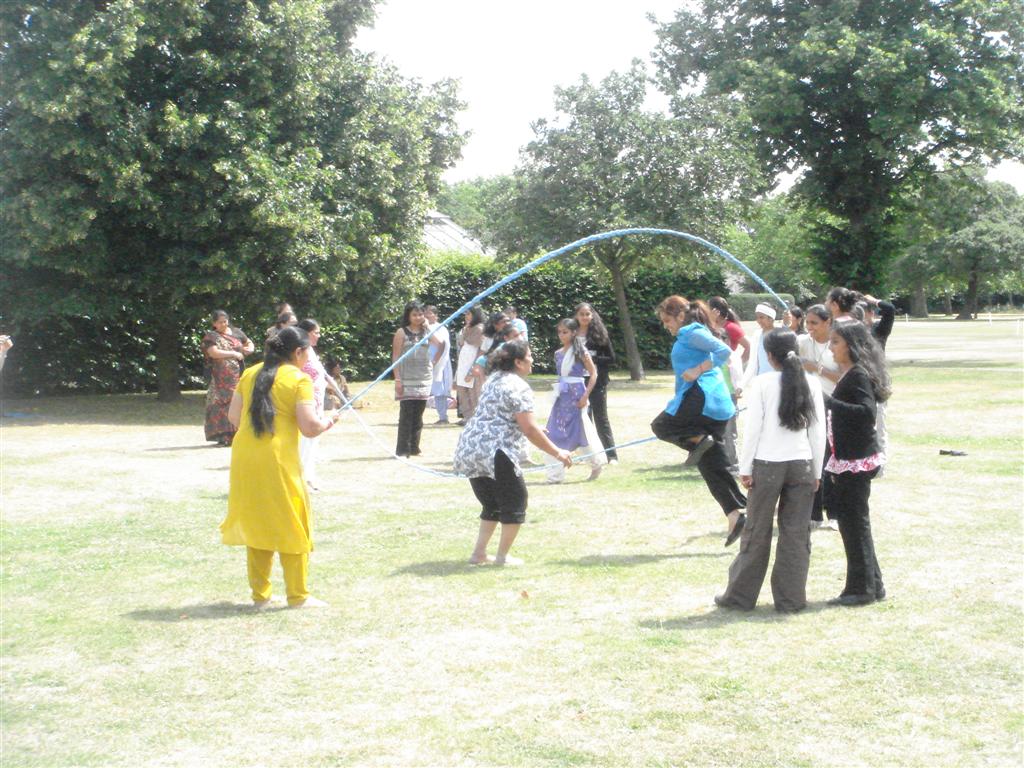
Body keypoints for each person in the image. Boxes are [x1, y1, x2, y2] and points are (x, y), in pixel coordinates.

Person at [220, 326, 339, 609]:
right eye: (307, 352)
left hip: (245, 456)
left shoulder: (250, 373)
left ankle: (260, 596)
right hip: (276, 460)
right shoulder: (299, 380)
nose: (308, 358)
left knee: (258, 522)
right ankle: (298, 596)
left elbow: (233, 416)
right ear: (297, 352)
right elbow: (310, 428)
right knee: (292, 521)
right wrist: (330, 420)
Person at [715, 329, 826, 613]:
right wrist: (816, 471)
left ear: (769, 356)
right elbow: (818, 432)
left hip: (767, 465)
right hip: (802, 465)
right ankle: (790, 600)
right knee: (796, 534)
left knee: (757, 530)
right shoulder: (812, 383)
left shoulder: (763, 384)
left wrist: (745, 467)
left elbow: (753, 431)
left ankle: (739, 597)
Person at [453, 340, 572, 565]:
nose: (532, 361)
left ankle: (479, 554)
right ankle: (502, 557)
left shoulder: (493, 379)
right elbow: (528, 429)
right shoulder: (519, 386)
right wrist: (558, 453)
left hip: (470, 448)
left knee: (492, 504)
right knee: (515, 502)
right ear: (518, 362)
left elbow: (503, 415)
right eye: (529, 357)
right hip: (495, 452)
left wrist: (530, 427)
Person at [650, 296, 747, 545]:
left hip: (705, 398)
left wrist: (698, 369)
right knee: (709, 463)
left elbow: (724, 350)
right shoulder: (689, 334)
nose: (666, 325)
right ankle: (736, 514)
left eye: (667, 320)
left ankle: (699, 438)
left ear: (681, 316)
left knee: (661, 425)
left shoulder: (691, 331)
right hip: (711, 402)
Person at [825, 321, 890, 606]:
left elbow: (866, 412)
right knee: (853, 524)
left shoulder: (858, 375)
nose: (831, 346)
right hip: (848, 460)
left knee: (854, 525)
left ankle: (860, 589)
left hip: (856, 462)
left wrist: (829, 402)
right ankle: (872, 584)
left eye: (836, 341)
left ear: (852, 346)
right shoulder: (850, 374)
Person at [544, 318, 605, 483]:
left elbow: (593, 374)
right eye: (560, 332)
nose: (562, 335)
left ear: (573, 333)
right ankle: (555, 474)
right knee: (553, 431)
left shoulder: (580, 352)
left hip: (577, 394)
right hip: (562, 395)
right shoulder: (557, 353)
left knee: (580, 430)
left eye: (565, 332)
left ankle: (595, 463)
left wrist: (585, 396)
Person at [799, 304, 841, 529]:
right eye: (807, 322)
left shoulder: (837, 343)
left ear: (827, 322)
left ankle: (834, 512)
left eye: (814, 323)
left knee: (831, 458)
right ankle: (813, 513)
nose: (810, 327)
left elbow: (843, 376)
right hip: (809, 406)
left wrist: (817, 368)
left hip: (833, 405)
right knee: (811, 457)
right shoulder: (802, 343)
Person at [296, 319, 345, 491]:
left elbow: (320, 376)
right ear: (307, 333)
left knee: (312, 443)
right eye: (316, 332)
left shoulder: (311, 351)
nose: (318, 335)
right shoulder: (299, 351)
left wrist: (333, 387)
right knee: (303, 443)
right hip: (303, 403)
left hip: (316, 402)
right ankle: (300, 481)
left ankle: (309, 478)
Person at [201, 310, 255, 446]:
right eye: (220, 322)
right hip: (220, 376)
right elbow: (213, 353)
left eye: (225, 321)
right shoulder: (211, 337)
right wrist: (233, 353)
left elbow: (249, 343)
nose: (223, 324)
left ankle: (239, 433)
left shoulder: (236, 332)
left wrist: (249, 349)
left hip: (238, 373)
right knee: (221, 403)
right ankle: (224, 435)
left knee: (238, 400)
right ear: (214, 323)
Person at [574, 302, 619, 463]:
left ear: (592, 315)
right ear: (576, 316)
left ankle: (611, 455)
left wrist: (592, 359)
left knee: (601, 418)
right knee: (583, 418)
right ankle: (587, 454)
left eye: (587, 314)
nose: (585, 317)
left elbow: (612, 358)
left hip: (597, 381)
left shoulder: (600, 334)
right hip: (578, 381)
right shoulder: (572, 334)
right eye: (581, 314)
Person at [392, 301, 433, 457]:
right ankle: (403, 449)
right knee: (406, 415)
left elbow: (439, 343)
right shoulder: (401, 332)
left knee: (419, 416)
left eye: (420, 314)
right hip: (407, 378)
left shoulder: (426, 331)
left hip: (424, 378)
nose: (417, 317)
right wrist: (398, 379)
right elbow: (395, 356)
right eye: (414, 314)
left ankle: (415, 447)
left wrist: (428, 326)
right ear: (408, 316)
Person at [454, 306, 485, 424]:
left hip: (473, 363)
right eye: (465, 314)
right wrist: (466, 329)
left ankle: (476, 417)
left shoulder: (480, 329)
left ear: (475, 315)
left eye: (468, 314)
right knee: (462, 391)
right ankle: (467, 417)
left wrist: (473, 368)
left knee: (474, 392)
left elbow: (482, 349)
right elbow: (462, 343)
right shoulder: (467, 328)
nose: (466, 316)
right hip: (463, 362)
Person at [424, 305, 454, 424]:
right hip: (425, 363)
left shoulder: (440, 328)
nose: (426, 315)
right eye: (425, 312)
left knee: (439, 391)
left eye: (430, 313)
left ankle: (443, 417)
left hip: (439, 363)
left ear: (436, 315)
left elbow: (442, 345)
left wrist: (435, 361)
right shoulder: (422, 328)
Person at [740, 302, 778, 389]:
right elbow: (753, 363)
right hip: (761, 382)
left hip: (778, 382)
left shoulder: (780, 334)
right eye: (757, 317)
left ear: (771, 318)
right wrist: (741, 386)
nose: (758, 321)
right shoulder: (757, 335)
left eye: (761, 317)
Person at [708, 296, 751, 366]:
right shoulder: (710, 325)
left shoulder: (731, 327)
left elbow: (749, 346)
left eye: (708, 309)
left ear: (716, 311)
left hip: (726, 368)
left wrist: (738, 364)